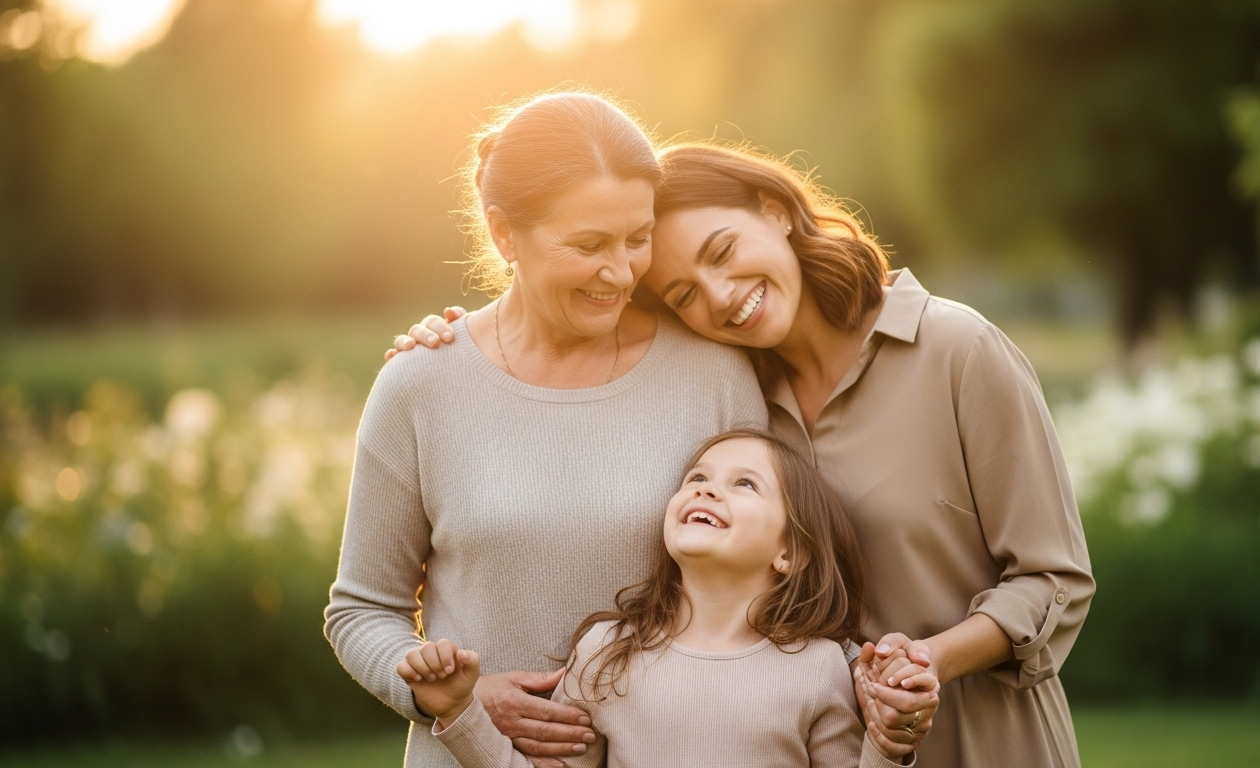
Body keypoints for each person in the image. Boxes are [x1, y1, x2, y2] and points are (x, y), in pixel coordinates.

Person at [393, 140, 1096, 768]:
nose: (723, 297)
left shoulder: (955, 350)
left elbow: (1053, 578)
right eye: (684, 294)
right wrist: (458, 344)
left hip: (981, 735)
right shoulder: (734, 392)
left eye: (723, 251)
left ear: (774, 210)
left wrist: (925, 663)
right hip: (818, 743)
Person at [324, 93, 768, 768]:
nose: (621, 273)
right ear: (505, 234)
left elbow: (766, 585)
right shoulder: (421, 384)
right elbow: (360, 609)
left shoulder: (714, 377)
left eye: (637, 239)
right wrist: (448, 697)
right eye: (589, 245)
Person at [395, 429, 938, 767]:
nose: (706, 488)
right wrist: (459, 711)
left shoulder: (819, 669)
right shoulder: (607, 653)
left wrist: (890, 748)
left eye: (744, 484)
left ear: (790, 553)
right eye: (697, 477)